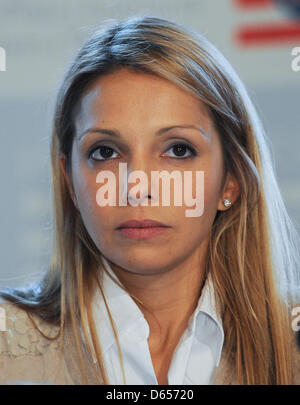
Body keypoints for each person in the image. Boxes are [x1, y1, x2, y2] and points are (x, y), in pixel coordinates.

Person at [1, 15, 300, 385]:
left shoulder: (293, 346)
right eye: (105, 152)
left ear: (231, 181)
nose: (137, 187)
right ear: (70, 182)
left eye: (178, 149)